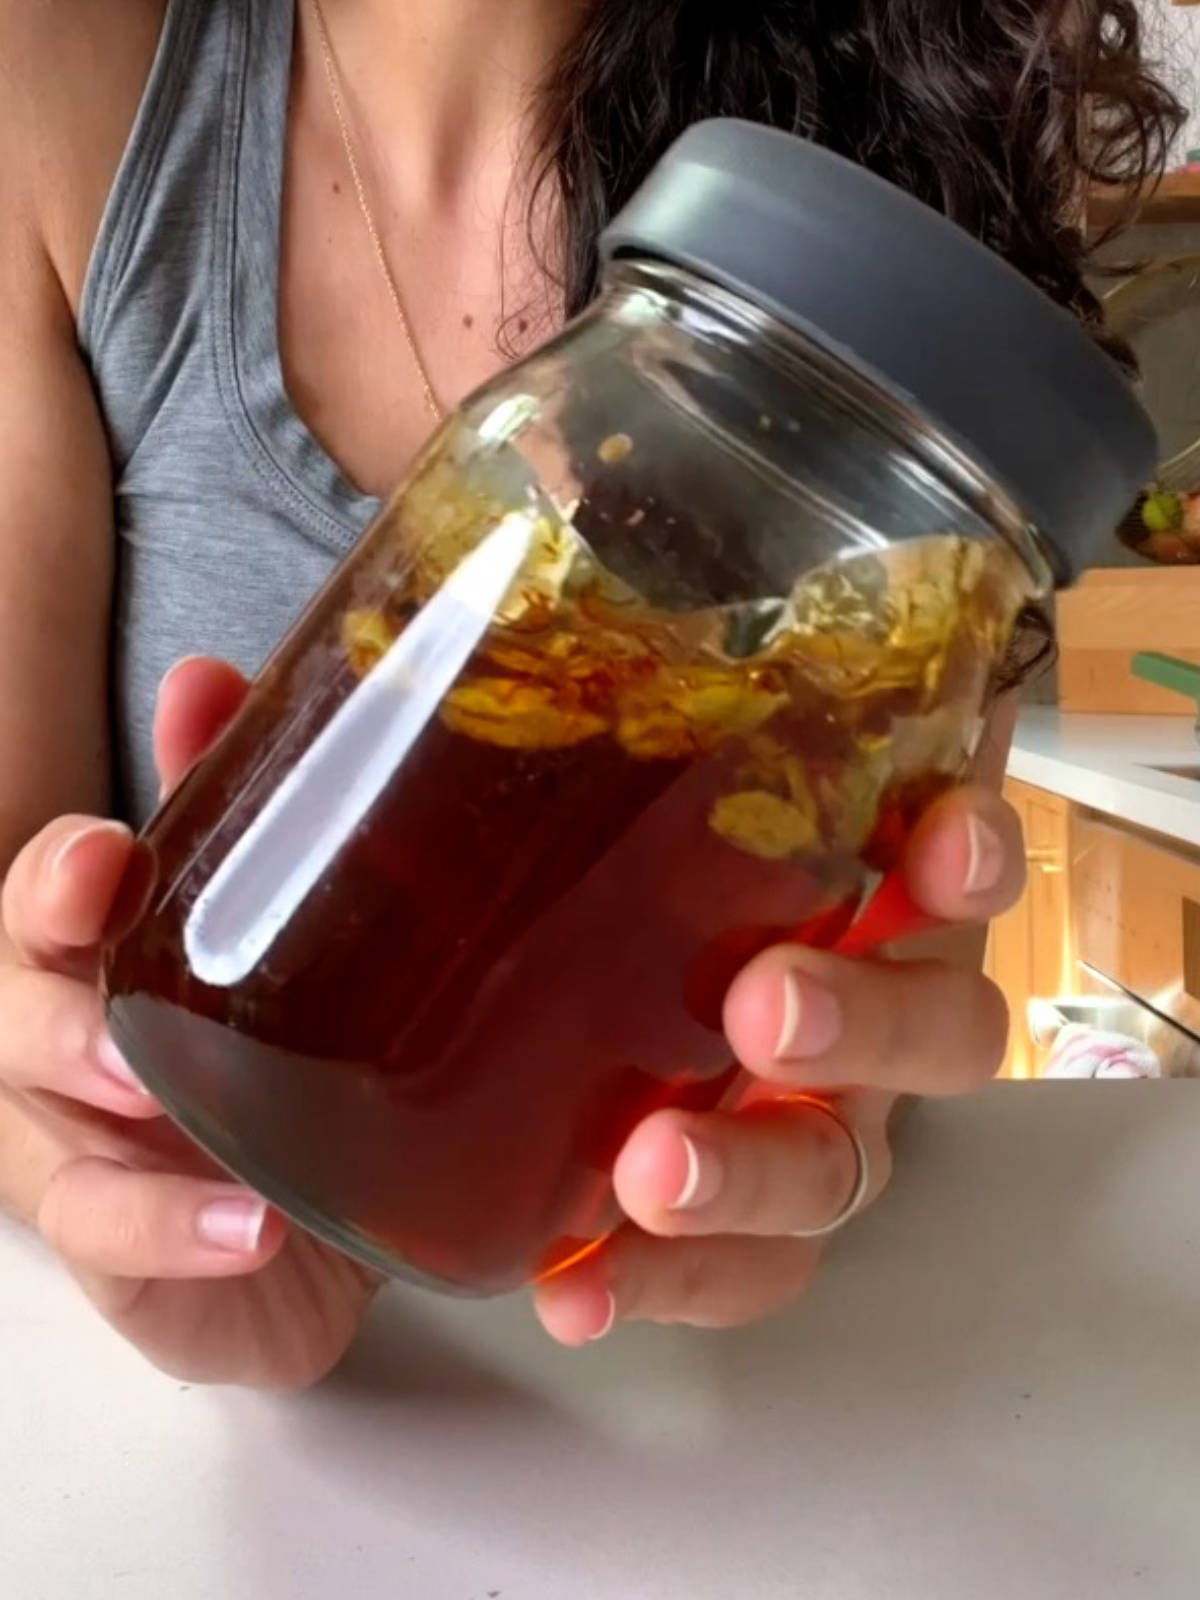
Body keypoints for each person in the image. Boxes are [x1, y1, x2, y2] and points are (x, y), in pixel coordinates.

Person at [0, 0, 1180, 1388]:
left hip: (681, 1428)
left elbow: (856, 953)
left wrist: (831, 1107)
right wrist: (121, 1179)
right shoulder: (54, 68)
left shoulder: (924, 149)